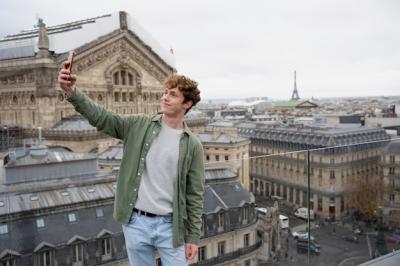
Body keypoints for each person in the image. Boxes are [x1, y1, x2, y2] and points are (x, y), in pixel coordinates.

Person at [58, 61, 205, 266]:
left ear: (187, 104)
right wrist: (72, 92)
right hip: (136, 222)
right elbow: (102, 117)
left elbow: (195, 194)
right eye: (165, 92)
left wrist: (193, 237)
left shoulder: (193, 145)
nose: (165, 97)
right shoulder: (138, 125)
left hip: (171, 226)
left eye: (173, 94)